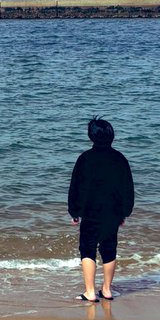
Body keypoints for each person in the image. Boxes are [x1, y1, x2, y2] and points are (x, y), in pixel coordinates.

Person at [68, 118, 135, 303]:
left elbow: (76, 187)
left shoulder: (85, 159)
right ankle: (107, 289)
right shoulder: (120, 158)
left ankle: (90, 292)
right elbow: (127, 188)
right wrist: (124, 212)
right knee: (109, 248)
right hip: (113, 212)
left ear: (91, 136)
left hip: (90, 211)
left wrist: (74, 212)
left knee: (87, 248)